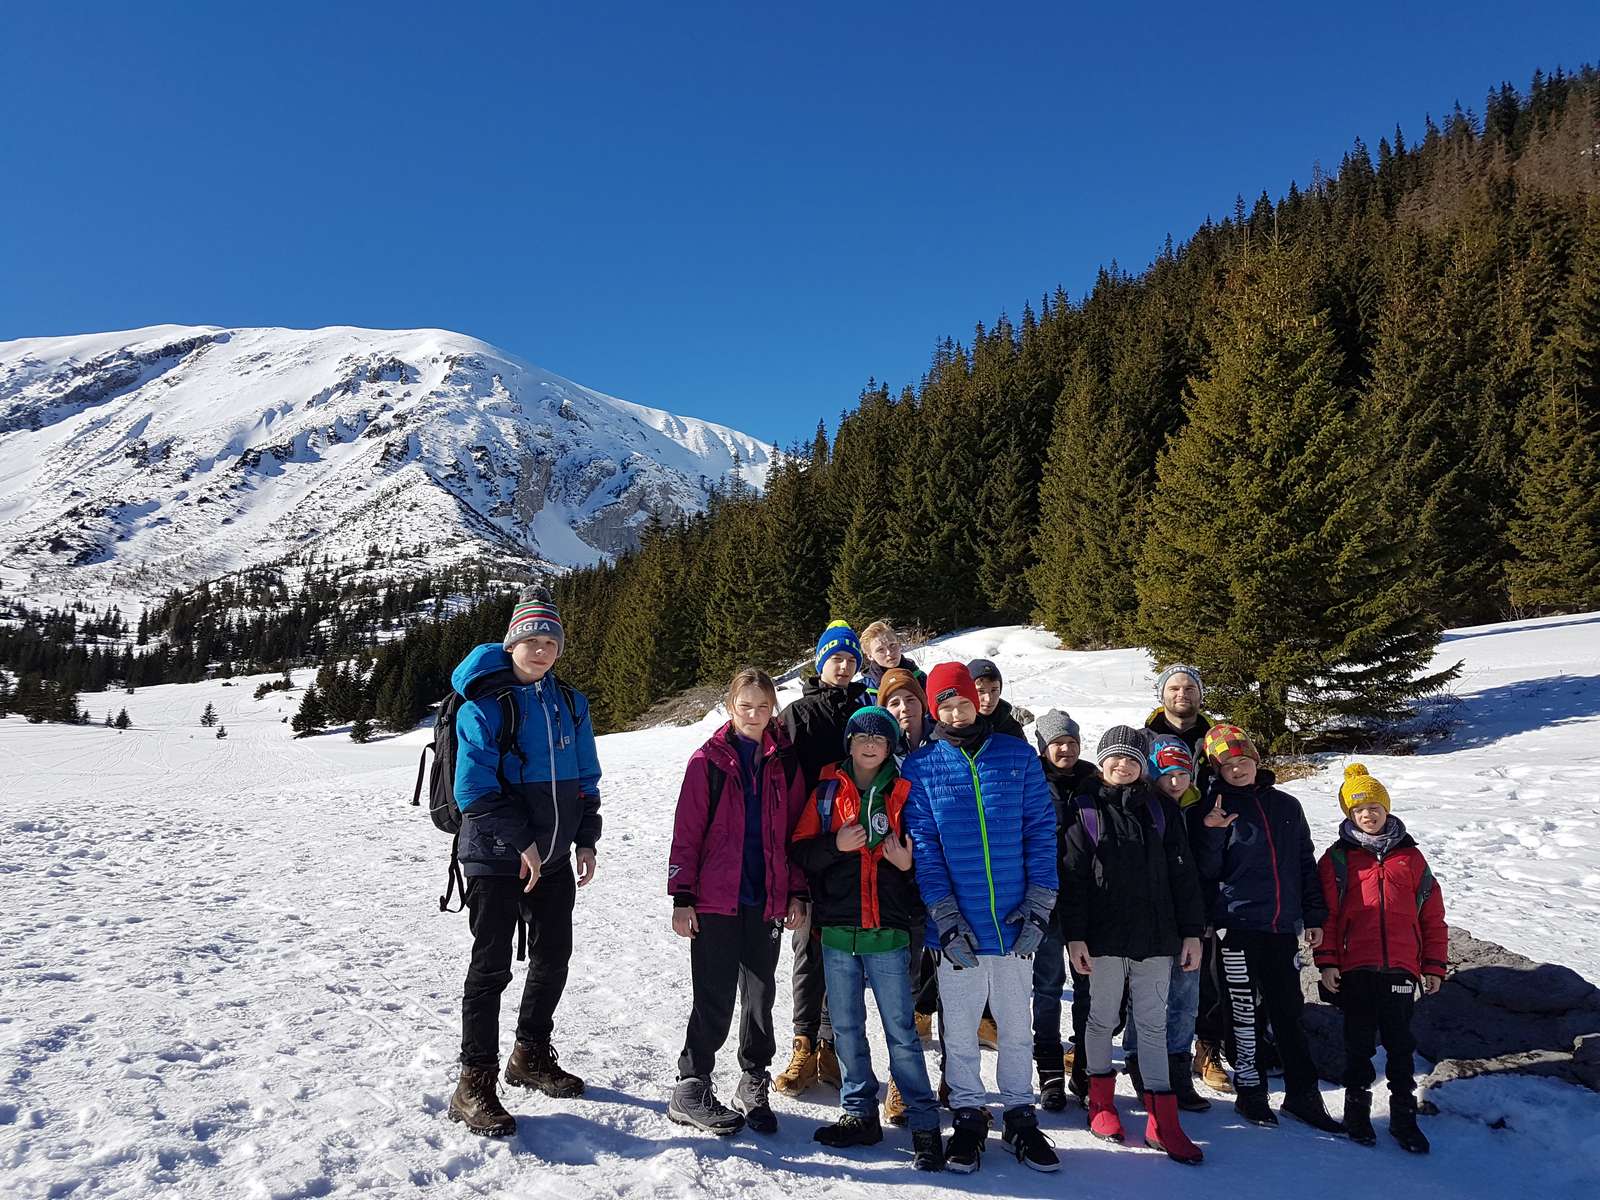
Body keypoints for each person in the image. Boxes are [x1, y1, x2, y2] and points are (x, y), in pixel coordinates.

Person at [447, 586, 601, 1137]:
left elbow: (586, 777)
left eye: (550, 642)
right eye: (531, 640)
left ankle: (529, 1054)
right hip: (495, 857)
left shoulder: (570, 703)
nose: (541, 651)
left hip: (553, 856)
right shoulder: (485, 705)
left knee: (553, 955)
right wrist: (522, 843)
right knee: (490, 968)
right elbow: (473, 790)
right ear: (511, 644)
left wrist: (586, 838)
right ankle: (474, 1082)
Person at [902, 663, 1059, 1174]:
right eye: (945, 706)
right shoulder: (921, 767)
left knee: (1015, 1027)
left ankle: (1019, 1114)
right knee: (961, 1028)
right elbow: (925, 848)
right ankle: (968, 1113)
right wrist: (946, 918)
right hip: (959, 929)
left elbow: (1041, 829)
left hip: (1015, 922)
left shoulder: (1017, 756)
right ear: (933, 710)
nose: (955, 713)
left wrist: (1039, 904)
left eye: (963, 703)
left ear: (978, 701)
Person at [790, 705, 945, 1171]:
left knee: (901, 1031)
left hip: (888, 931)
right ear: (850, 744)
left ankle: (923, 1121)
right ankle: (859, 1112)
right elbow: (800, 851)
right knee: (846, 1028)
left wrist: (907, 865)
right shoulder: (825, 792)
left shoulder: (903, 791)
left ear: (891, 746)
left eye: (880, 738)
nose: (871, 744)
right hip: (838, 930)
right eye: (862, 737)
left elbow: (927, 852)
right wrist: (834, 845)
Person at [666, 668, 809, 1135]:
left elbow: (796, 833)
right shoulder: (707, 761)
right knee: (714, 992)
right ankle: (691, 1084)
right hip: (714, 899)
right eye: (745, 706)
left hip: (765, 898)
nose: (753, 714)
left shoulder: (784, 762)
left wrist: (797, 891)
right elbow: (687, 833)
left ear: (773, 710)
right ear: (730, 707)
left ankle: (753, 1078)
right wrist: (682, 896)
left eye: (762, 707)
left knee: (760, 995)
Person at [1063, 726, 1206, 1165]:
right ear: (1102, 761)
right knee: (1102, 1018)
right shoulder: (1085, 809)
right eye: (1115, 757)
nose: (1122, 766)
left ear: (1143, 766)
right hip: (1103, 938)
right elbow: (1073, 878)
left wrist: (1192, 932)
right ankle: (1101, 1102)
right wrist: (1075, 936)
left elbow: (1184, 876)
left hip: (1156, 937)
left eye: (1131, 759)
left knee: (1152, 1024)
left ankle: (1163, 1119)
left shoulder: (1161, 810)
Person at [1193, 723, 1345, 1133]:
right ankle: (1251, 1092)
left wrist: (1313, 915)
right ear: (1216, 770)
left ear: (1256, 760)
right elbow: (1206, 872)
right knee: (1243, 1012)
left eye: (1243, 760)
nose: (1238, 769)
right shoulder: (1213, 807)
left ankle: (1303, 1096)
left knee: (1288, 1012)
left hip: (1281, 926)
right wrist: (1211, 833)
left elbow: (1304, 862)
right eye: (1228, 765)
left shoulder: (1286, 805)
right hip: (1235, 926)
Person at [1316, 764, 1447, 1154]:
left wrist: (1434, 965)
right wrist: (1327, 961)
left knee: (1400, 1046)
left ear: (1386, 808)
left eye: (1373, 807)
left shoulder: (1411, 858)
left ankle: (1403, 1118)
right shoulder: (1338, 859)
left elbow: (1432, 916)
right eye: (1358, 810)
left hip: (1401, 968)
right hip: (1356, 965)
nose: (1367, 815)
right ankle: (1357, 1113)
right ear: (1349, 815)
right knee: (1358, 1044)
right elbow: (1327, 916)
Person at [774, 621, 866, 1095]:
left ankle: (830, 1045)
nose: (843, 666)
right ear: (820, 661)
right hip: (811, 844)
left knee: (843, 949)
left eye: (850, 659)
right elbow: (782, 782)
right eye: (836, 658)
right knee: (808, 949)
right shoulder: (800, 714)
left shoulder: (867, 710)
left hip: (857, 848)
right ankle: (803, 1042)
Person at [1144, 664, 1230, 1094]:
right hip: (1156, 863)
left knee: (1204, 968)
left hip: (1205, 860)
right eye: (1174, 688)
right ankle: (1135, 1048)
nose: (1182, 694)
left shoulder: (1216, 740)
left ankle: (1205, 1047)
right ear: (1162, 695)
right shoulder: (1144, 739)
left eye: (1190, 687)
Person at [1121, 735, 1212, 1112]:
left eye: (1182, 774)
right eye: (1167, 774)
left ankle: (1177, 1068)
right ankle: (1138, 1061)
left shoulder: (1201, 807)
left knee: (1185, 998)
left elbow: (1203, 869)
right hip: (1151, 917)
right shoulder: (1144, 806)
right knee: (1146, 996)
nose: (1175, 782)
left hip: (1191, 916)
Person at [1032, 709, 1097, 1112]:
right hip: (1046, 899)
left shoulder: (1095, 781)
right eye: (1057, 742)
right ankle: (1050, 1070)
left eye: (1071, 742)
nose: (1066, 749)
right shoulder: (1031, 781)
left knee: (1090, 987)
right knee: (1048, 986)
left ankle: (1085, 1065)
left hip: (1089, 900)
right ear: (1043, 747)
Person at [859, 620, 926, 705]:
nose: (889, 652)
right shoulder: (864, 691)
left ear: (899, 644)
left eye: (892, 645)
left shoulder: (920, 677)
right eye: (880, 649)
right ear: (870, 656)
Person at [966, 659, 1033, 740]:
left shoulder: (1011, 728)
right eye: (980, 691)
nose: (988, 699)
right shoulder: (956, 728)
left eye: (994, 690)